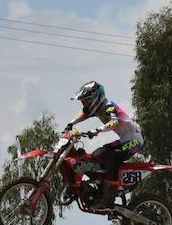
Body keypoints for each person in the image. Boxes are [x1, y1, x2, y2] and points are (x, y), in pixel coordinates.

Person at [62, 80, 144, 211]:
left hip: (134, 140)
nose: (85, 104)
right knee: (96, 156)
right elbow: (83, 115)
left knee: (112, 159)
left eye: (86, 101)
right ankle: (100, 187)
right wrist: (71, 124)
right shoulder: (97, 108)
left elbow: (114, 122)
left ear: (96, 98)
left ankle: (109, 197)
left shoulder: (109, 106)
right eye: (83, 102)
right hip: (124, 140)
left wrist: (97, 130)